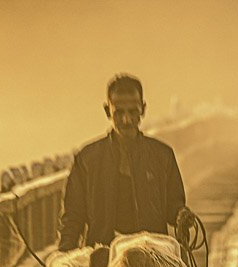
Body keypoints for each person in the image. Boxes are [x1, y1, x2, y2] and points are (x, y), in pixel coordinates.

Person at [57, 74, 186, 252]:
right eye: (119, 112)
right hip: (103, 256)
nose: (126, 120)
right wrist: (64, 256)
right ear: (107, 111)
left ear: (143, 109)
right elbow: (73, 217)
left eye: (133, 112)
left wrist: (182, 216)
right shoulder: (87, 159)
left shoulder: (162, 156)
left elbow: (174, 205)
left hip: (153, 253)